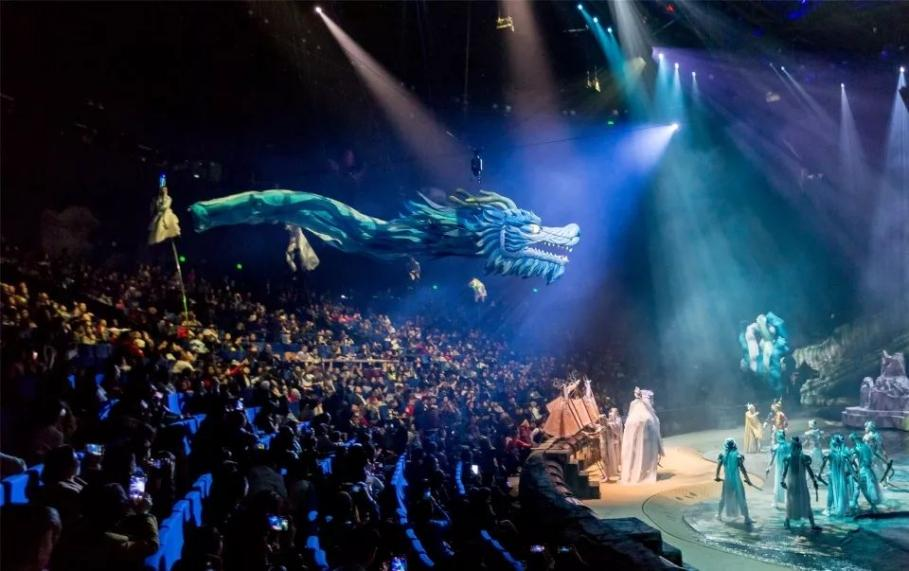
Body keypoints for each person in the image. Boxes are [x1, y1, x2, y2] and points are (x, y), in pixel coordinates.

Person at [620, 388, 664, 484]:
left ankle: (641, 471)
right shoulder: (645, 413)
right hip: (646, 440)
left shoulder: (637, 410)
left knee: (643, 456)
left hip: (643, 440)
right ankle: (644, 472)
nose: (652, 402)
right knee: (646, 456)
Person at [780, 436, 820, 530]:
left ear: (800, 449)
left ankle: (812, 524)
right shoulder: (789, 458)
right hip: (792, 484)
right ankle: (787, 521)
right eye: (794, 448)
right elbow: (785, 471)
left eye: (797, 448)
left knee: (805, 501)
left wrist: (814, 480)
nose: (796, 450)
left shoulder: (803, 458)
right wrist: (782, 480)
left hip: (801, 484)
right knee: (791, 502)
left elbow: (809, 470)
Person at [714, 438, 754, 525]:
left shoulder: (722, 455)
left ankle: (719, 515)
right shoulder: (737, 456)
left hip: (727, 481)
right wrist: (748, 480)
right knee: (741, 497)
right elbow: (742, 469)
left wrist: (717, 477)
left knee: (723, 497)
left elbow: (718, 467)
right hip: (736, 481)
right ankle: (746, 518)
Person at [818, 434, 855, 518]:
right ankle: (843, 509)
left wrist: (820, 474)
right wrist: (853, 475)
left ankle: (828, 509)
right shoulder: (843, 454)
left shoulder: (830, 454)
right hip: (841, 476)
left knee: (831, 492)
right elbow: (850, 465)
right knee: (842, 491)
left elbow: (823, 465)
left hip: (832, 475)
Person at [849, 432, 884, 511]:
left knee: (862, 488)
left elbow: (852, 460)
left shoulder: (856, 449)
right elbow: (872, 457)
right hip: (869, 470)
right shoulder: (867, 447)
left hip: (862, 470)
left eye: (852, 440)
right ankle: (860, 503)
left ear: (854, 440)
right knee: (869, 487)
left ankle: (871, 506)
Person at [765, 429, 790, 509]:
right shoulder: (788, 446)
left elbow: (772, 459)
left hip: (779, 468)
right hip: (787, 468)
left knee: (778, 483)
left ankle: (775, 502)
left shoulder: (776, 447)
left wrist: (768, 468)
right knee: (786, 483)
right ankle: (787, 501)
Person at [602, 407, 623, 481]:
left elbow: (617, 429)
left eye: (612, 415)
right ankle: (608, 473)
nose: (610, 416)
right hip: (608, 443)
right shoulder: (608, 423)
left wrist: (609, 425)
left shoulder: (617, 420)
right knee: (610, 458)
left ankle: (614, 470)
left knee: (615, 456)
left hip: (614, 441)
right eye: (609, 415)